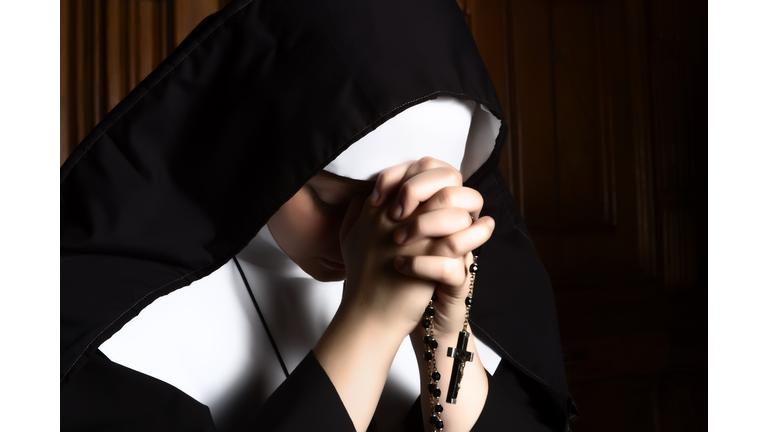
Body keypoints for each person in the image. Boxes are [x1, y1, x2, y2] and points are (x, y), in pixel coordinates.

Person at [60, 0, 578, 430]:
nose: (372, 239)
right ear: (257, 149)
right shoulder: (97, 332)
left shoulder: (453, 262)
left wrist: (447, 340)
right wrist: (370, 323)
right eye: (332, 200)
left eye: (420, 201)